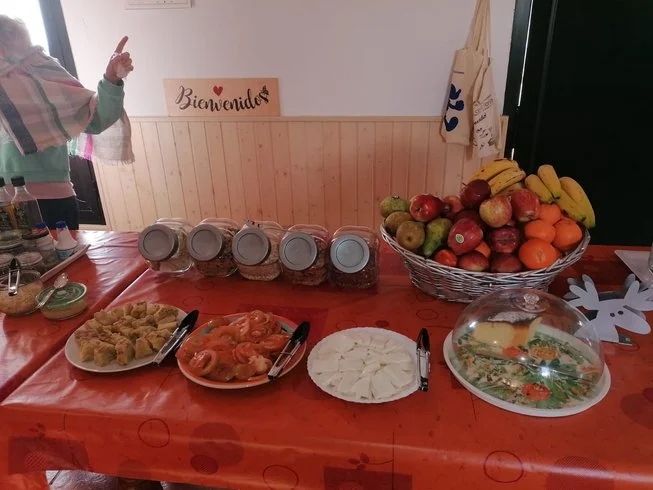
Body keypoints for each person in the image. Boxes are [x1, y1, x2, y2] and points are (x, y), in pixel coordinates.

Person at [0, 15, 133, 230]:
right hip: (4, 198)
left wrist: (111, 79)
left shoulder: (41, 69)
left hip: (52, 196)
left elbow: (95, 118)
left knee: (65, 251)